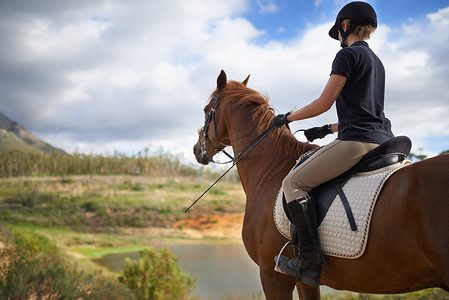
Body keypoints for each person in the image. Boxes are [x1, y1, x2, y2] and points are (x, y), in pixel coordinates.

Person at [272, 1, 394, 287]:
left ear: (345, 26)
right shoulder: (377, 62)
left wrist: (287, 117)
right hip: (382, 140)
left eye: (339, 30)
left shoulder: (347, 56)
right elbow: (366, 113)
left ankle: (308, 261)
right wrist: (326, 129)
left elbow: (323, 102)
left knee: (293, 184)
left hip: (356, 142)